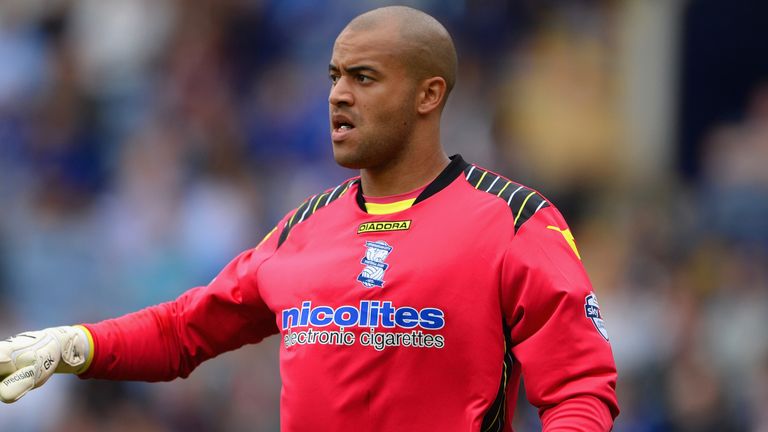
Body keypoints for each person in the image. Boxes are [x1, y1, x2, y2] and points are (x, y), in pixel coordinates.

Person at [0, 6, 619, 431]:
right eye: (333, 76)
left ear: (429, 95)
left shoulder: (512, 220)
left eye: (364, 77)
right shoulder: (305, 227)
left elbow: (579, 391)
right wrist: (77, 343)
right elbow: (185, 330)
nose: (338, 94)